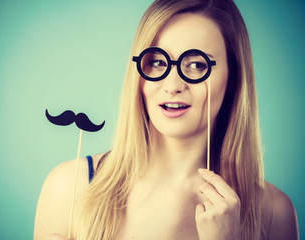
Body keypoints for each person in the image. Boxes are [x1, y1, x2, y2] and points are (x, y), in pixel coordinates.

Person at [34, 0, 299, 239]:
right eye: (158, 62)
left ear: (233, 78)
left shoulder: (274, 214)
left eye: (197, 65)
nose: (172, 85)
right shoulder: (69, 189)